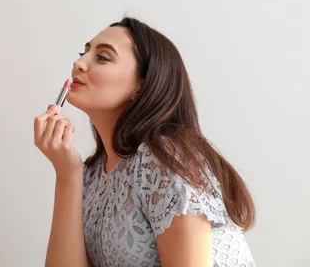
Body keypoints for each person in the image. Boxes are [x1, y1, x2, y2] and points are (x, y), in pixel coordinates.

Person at [34, 17, 256, 267]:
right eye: (83, 52)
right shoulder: (92, 175)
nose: (79, 63)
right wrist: (67, 173)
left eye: (103, 57)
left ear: (141, 86)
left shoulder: (167, 161)